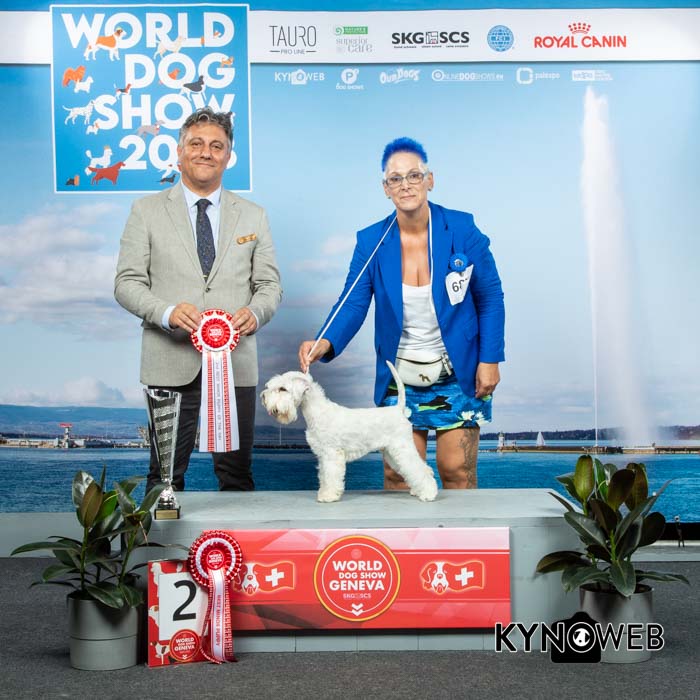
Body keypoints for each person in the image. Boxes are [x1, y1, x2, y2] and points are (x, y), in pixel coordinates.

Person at [298, 137, 504, 490]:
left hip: (458, 369)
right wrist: (324, 341)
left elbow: (490, 298)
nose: (405, 184)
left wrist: (490, 359)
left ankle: (460, 530)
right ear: (385, 188)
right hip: (399, 372)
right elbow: (353, 302)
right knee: (398, 473)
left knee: (456, 469)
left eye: (414, 175)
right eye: (395, 178)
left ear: (430, 180)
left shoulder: (463, 229)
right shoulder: (371, 241)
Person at [115, 107, 282, 491]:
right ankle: (161, 533)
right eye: (196, 143)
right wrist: (167, 312)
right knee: (164, 480)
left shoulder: (254, 216)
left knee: (237, 478)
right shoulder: (145, 211)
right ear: (179, 151)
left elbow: (270, 286)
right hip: (168, 363)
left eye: (216, 146)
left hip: (235, 364)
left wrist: (255, 313)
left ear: (228, 156)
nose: (206, 152)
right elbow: (126, 283)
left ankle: (235, 537)